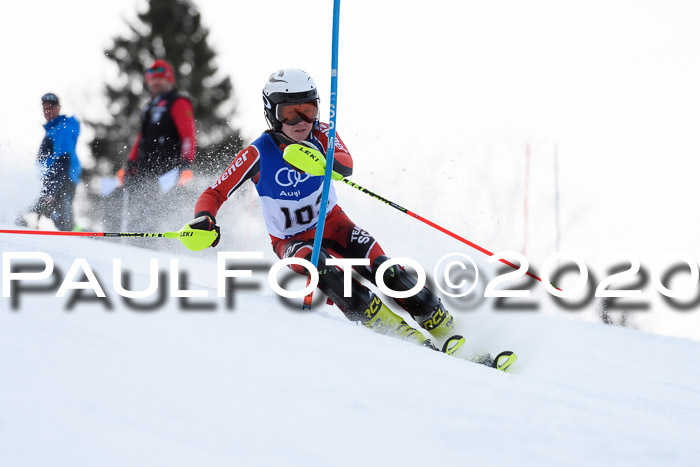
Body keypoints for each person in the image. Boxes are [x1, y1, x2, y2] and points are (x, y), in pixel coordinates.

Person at [187, 69, 464, 353]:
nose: (301, 122)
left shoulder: (322, 133)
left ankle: (446, 327)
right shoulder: (257, 153)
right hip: (291, 241)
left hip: (334, 223)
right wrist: (205, 218)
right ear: (272, 113)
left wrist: (322, 160)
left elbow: (346, 165)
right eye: (289, 113)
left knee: (387, 270)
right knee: (320, 265)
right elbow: (215, 192)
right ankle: (395, 331)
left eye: (308, 110)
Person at [122, 59, 196, 231]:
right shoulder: (149, 106)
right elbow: (142, 137)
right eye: (152, 79)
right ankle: (134, 245)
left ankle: (154, 249)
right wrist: (131, 162)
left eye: (160, 78)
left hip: (167, 169)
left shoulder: (178, 102)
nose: (155, 82)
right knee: (137, 212)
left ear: (169, 80)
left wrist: (186, 162)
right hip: (144, 167)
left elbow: (188, 135)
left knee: (155, 212)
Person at [28, 93, 82, 231]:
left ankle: (86, 237)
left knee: (65, 221)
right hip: (52, 179)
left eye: (50, 107)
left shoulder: (62, 128)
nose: (47, 111)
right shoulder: (52, 129)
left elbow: (62, 161)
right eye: (44, 108)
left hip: (63, 179)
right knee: (48, 212)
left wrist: (51, 191)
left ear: (58, 108)